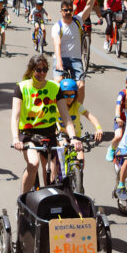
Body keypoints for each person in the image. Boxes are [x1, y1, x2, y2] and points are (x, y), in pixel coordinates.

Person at [11, 55, 82, 193]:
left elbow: (66, 117)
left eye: (44, 70)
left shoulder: (55, 87)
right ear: (32, 70)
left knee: (51, 174)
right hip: (28, 134)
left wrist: (73, 137)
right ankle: (23, 202)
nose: (41, 73)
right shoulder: (21, 87)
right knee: (33, 164)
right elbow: (15, 117)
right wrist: (15, 138)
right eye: (38, 70)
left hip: (49, 134)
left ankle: (47, 203)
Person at [52, 0, 98, 103]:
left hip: (75, 60)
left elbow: (89, 6)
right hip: (61, 58)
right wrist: (59, 61)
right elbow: (57, 44)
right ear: (61, 11)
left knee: (80, 86)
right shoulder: (57, 26)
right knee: (57, 83)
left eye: (70, 10)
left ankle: (78, 110)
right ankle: (56, 109)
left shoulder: (77, 20)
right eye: (65, 10)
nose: (68, 13)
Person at [56, 78, 103, 170]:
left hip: (75, 137)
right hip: (61, 135)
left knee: (80, 156)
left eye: (72, 95)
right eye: (66, 95)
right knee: (62, 147)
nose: (69, 98)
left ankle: (78, 179)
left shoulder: (77, 105)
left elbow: (90, 116)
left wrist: (98, 128)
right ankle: (61, 173)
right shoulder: (56, 106)